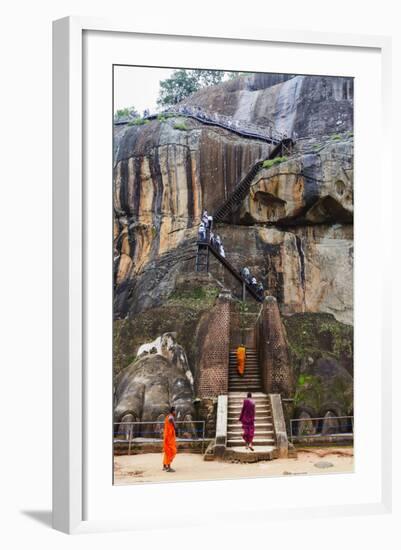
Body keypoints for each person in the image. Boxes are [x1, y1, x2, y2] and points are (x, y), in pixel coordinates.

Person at [163, 406, 177, 472]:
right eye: (175, 411)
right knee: (171, 451)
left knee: (167, 451)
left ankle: (164, 466)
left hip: (167, 436)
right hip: (169, 437)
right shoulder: (171, 417)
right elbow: (174, 425)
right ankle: (169, 467)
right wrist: (175, 426)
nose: (175, 412)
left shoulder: (168, 416)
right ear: (173, 411)